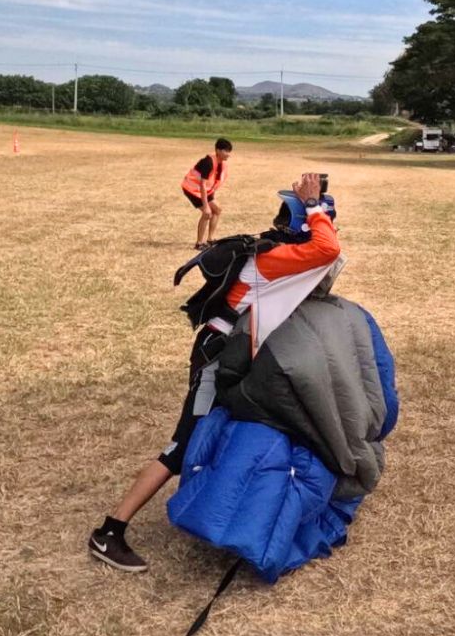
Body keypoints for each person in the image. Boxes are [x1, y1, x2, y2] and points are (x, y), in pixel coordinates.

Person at [90, 172, 340, 572]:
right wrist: (315, 207)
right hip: (216, 355)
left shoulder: (276, 251)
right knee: (183, 443)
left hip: (230, 353)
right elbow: (328, 248)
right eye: (316, 221)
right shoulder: (272, 257)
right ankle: (110, 530)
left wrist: (315, 210)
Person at [182, 137, 233, 249]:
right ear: (218, 151)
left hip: (204, 190)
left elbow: (211, 183)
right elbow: (202, 184)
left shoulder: (221, 163)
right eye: (226, 151)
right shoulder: (208, 162)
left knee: (217, 210)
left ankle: (210, 239)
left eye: (229, 151)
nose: (228, 154)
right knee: (207, 213)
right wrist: (205, 206)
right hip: (192, 189)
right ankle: (199, 243)